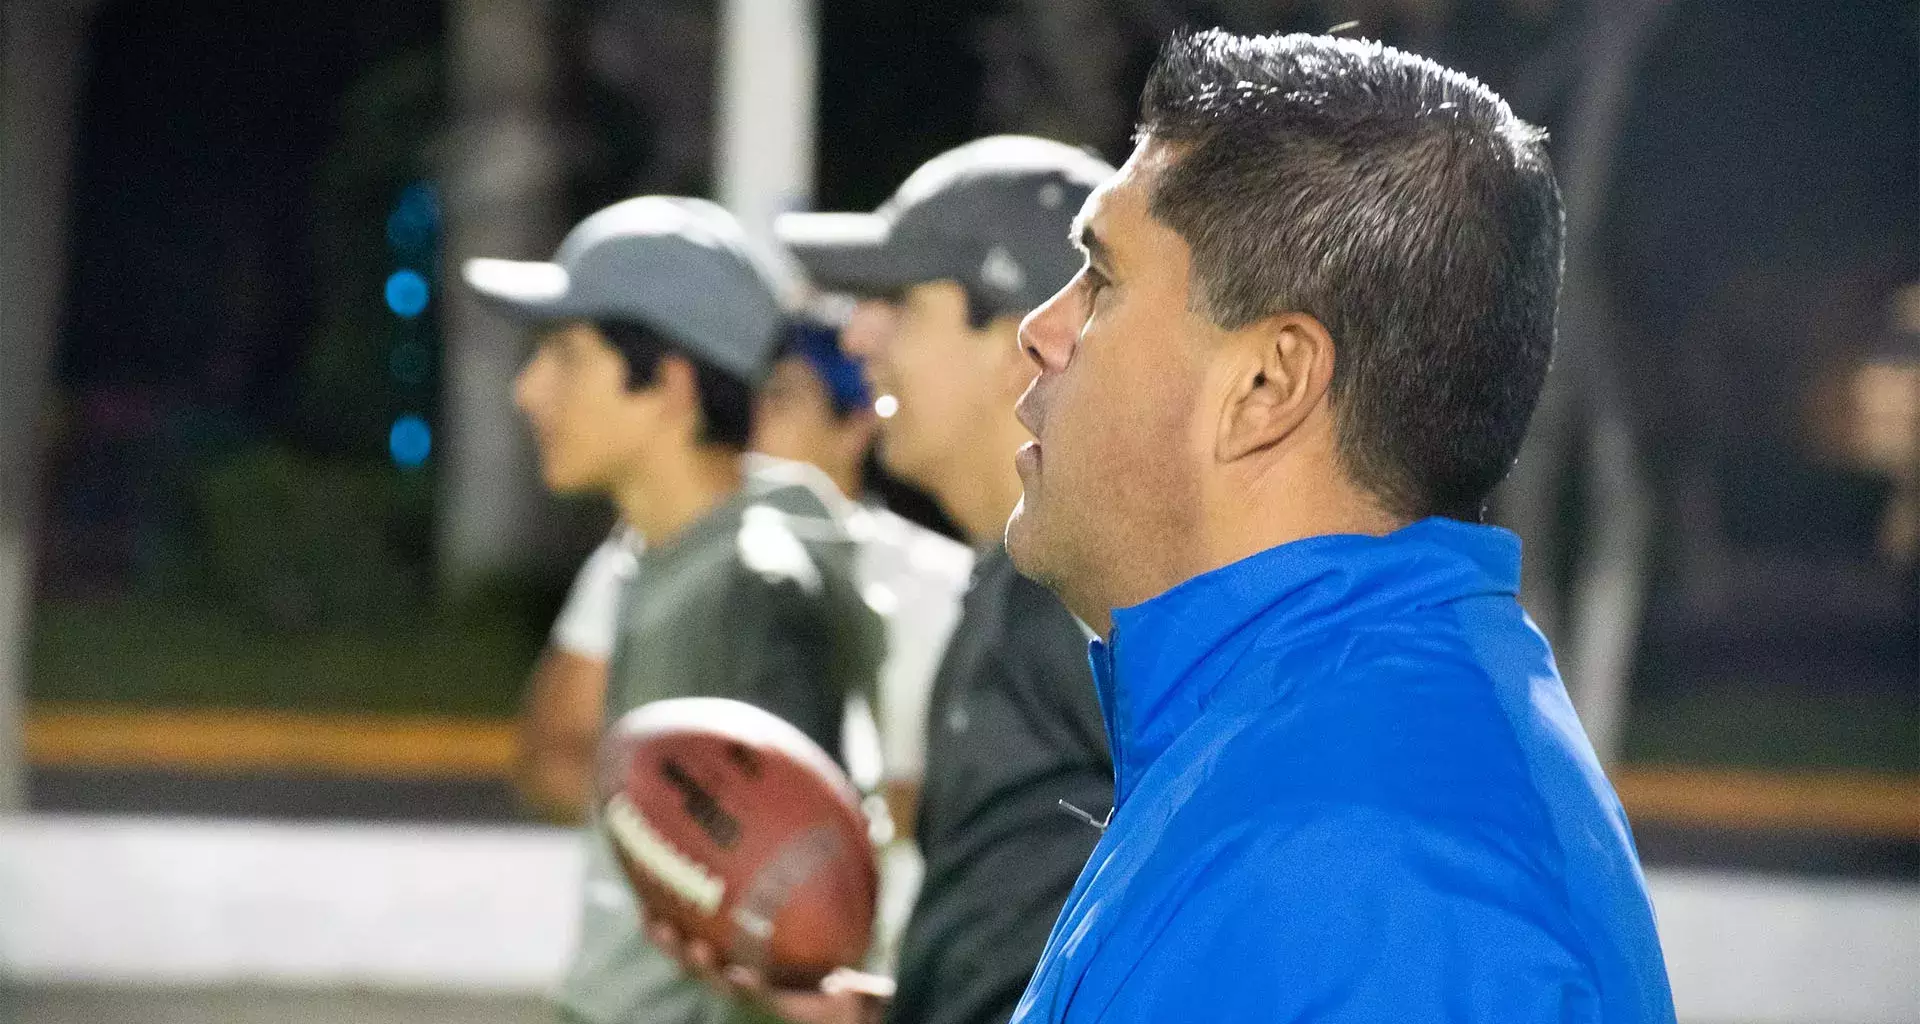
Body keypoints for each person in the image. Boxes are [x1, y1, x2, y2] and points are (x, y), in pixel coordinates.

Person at [1003, 30, 1676, 1022]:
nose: (1041, 329)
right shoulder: (1315, 753)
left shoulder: (1370, 866)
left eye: (1101, 277)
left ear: (1269, 383)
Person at [652, 135, 1118, 1024]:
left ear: (1026, 330)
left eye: (895, 302)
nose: (858, 332)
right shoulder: (1013, 576)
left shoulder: (1097, 596)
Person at [464, 195, 883, 1024]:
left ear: (667, 384)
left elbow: (790, 890)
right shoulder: (667, 556)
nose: (529, 390)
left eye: (564, 355)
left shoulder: (750, 584)